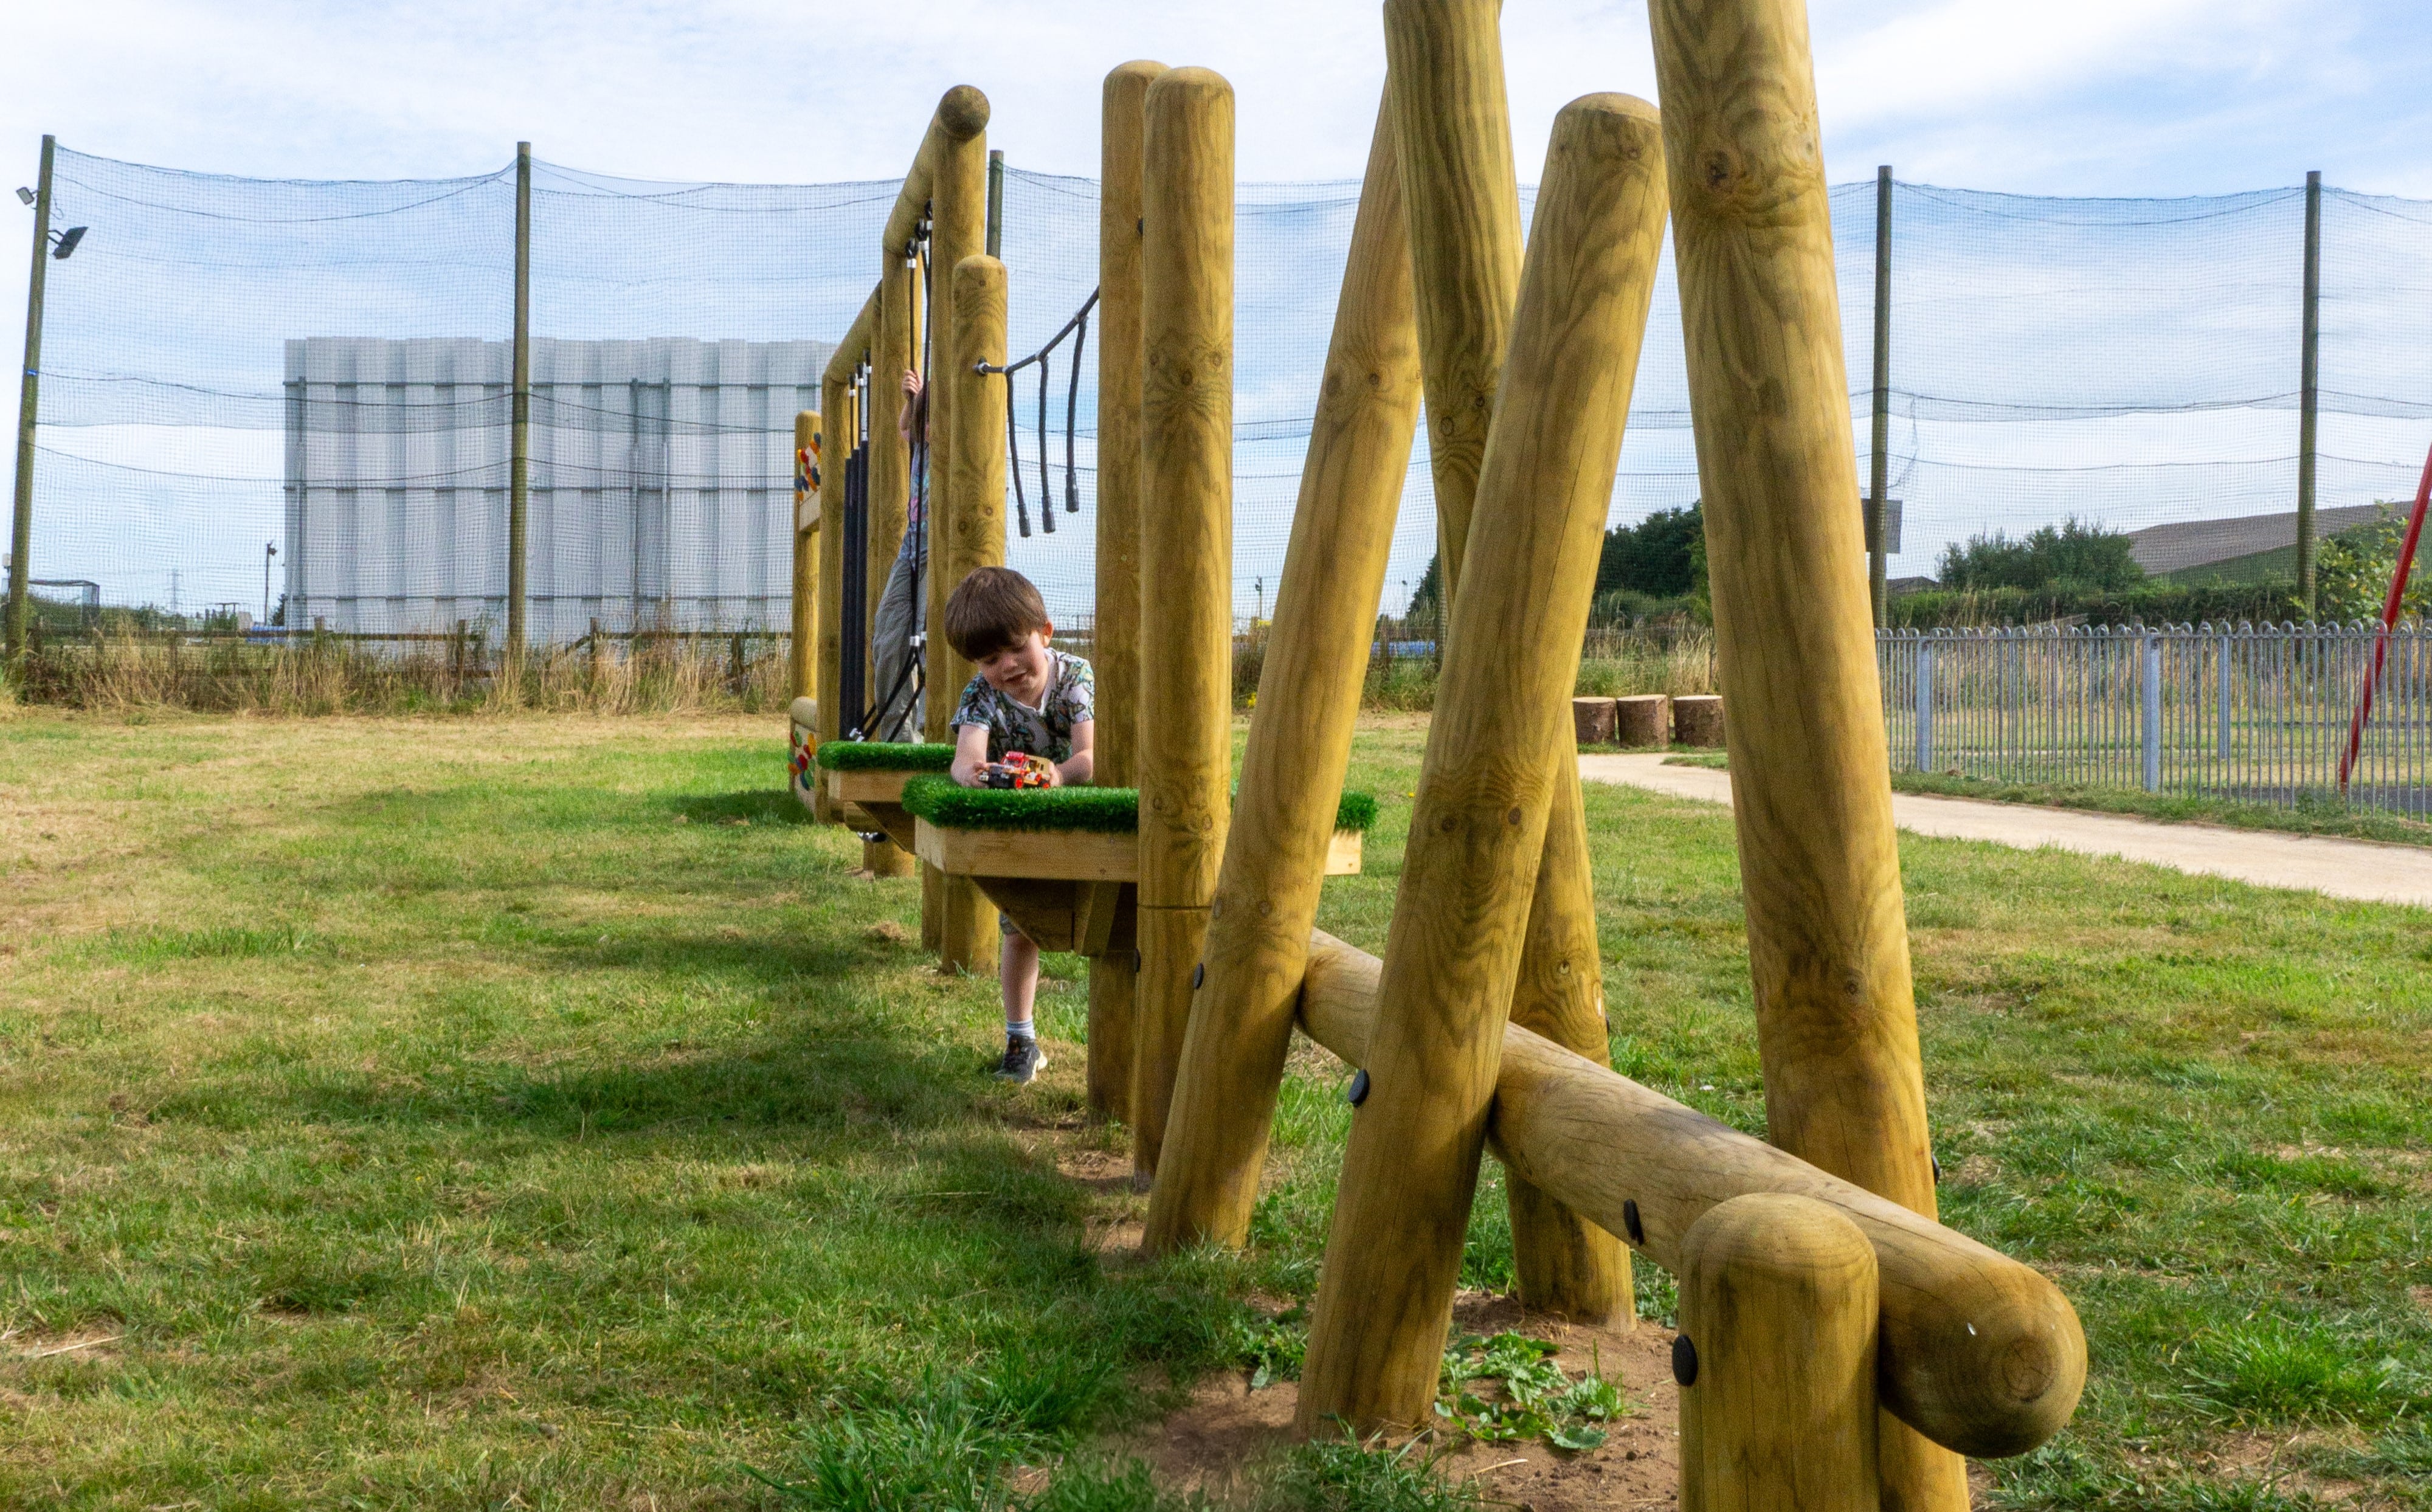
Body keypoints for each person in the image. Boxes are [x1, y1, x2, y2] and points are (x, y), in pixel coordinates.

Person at [943, 566, 1095, 1083]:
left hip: (1080, 818)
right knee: (1020, 927)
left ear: (1045, 633)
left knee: (1105, 921)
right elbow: (964, 759)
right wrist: (975, 775)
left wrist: (1059, 774)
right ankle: (1021, 1037)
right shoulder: (980, 695)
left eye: (1016, 648)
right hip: (1023, 827)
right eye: (989, 659)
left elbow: (1090, 757)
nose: (1006, 666)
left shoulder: (1074, 676)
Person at [866, 368, 929, 739]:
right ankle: (898, 740)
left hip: (941, 546)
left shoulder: (955, 442)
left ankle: (932, 726)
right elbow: (905, 431)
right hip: (911, 546)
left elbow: (932, 429)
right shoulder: (922, 439)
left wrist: (920, 403)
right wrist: (912, 401)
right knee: (889, 635)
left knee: (929, 631)